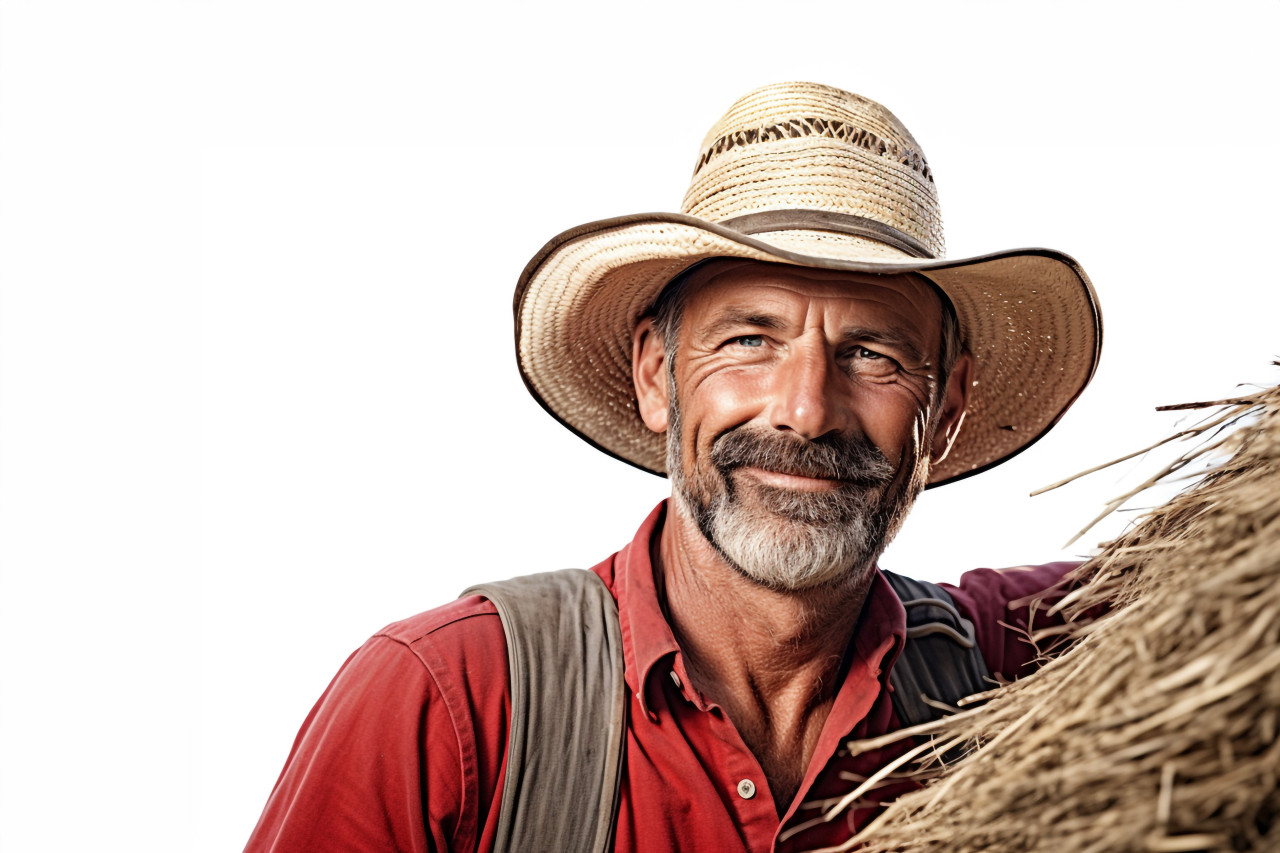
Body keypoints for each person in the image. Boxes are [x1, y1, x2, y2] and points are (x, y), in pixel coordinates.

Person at [245, 82, 1102, 852]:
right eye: (750, 341)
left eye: (872, 353)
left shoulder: (1005, 667)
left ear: (945, 408)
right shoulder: (447, 701)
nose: (805, 411)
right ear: (656, 374)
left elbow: (1218, 561)